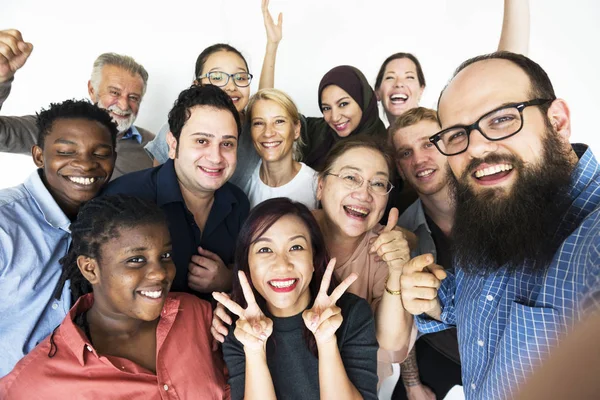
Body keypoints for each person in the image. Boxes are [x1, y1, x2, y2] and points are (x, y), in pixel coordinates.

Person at [400, 51, 600, 399]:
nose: (476, 147)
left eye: (502, 119)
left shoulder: (592, 242)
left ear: (558, 122)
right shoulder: (493, 207)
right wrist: (435, 302)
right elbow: (479, 298)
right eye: (457, 135)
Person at [213, 137, 418, 385]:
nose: (363, 193)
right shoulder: (289, 224)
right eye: (351, 177)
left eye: (377, 183)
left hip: (357, 377)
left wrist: (397, 269)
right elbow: (255, 269)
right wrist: (231, 305)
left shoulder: (387, 249)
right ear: (320, 186)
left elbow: (391, 343)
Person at [0, 195, 228, 399]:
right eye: (136, 260)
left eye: (165, 255)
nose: (160, 272)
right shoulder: (38, 382)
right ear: (90, 269)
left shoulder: (199, 315)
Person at [375, 0, 530, 216]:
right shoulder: (374, 148)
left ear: (421, 89)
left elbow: (504, 75)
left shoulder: (449, 125)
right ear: (377, 92)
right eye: (390, 77)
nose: (399, 83)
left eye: (409, 77)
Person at [213, 197, 379, 400]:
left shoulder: (352, 314)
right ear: (247, 264)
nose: (282, 265)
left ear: (313, 258)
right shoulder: (239, 327)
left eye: (296, 247)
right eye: (265, 250)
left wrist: (326, 341)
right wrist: (254, 350)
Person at [0, 99, 117, 376]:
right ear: (39, 156)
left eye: (100, 154)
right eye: (67, 151)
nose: (85, 165)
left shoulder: (111, 221)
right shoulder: (6, 223)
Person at [103, 84, 250, 299]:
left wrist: (229, 279)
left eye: (227, 144)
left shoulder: (238, 203)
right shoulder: (125, 199)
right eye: (202, 141)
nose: (216, 157)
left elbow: (251, 272)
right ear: (173, 144)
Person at [144, 0, 282, 190]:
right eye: (217, 77)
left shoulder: (254, 127)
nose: (231, 86)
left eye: (240, 77)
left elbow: (266, 100)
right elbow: (156, 184)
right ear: (197, 84)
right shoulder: (176, 126)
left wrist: (272, 46)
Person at [0, 30, 153, 178]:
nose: (124, 105)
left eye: (133, 97)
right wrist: (2, 79)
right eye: (115, 93)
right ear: (92, 90)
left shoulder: (154, 146)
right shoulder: (53, 128)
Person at [390, 107, 461, 400]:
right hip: (440, 348)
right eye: (406, 153)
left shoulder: (492, 204)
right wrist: (411, 383)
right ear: (400, 168)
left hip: (506, 349)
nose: (419, 159)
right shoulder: (403, 228)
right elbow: (405, 319)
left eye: (428, 144)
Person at [300, 65, 387, 170]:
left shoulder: (385, 148)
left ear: (363, 101)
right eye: (327, 108)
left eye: (343, 104)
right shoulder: (317, 132)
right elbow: (279, 116)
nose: (335, 117)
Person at [244, 88, 318, 209]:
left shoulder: (316, 185)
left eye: (279, 121)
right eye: (258, 123)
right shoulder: (244, 180)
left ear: (296, 129)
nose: (268, 133)